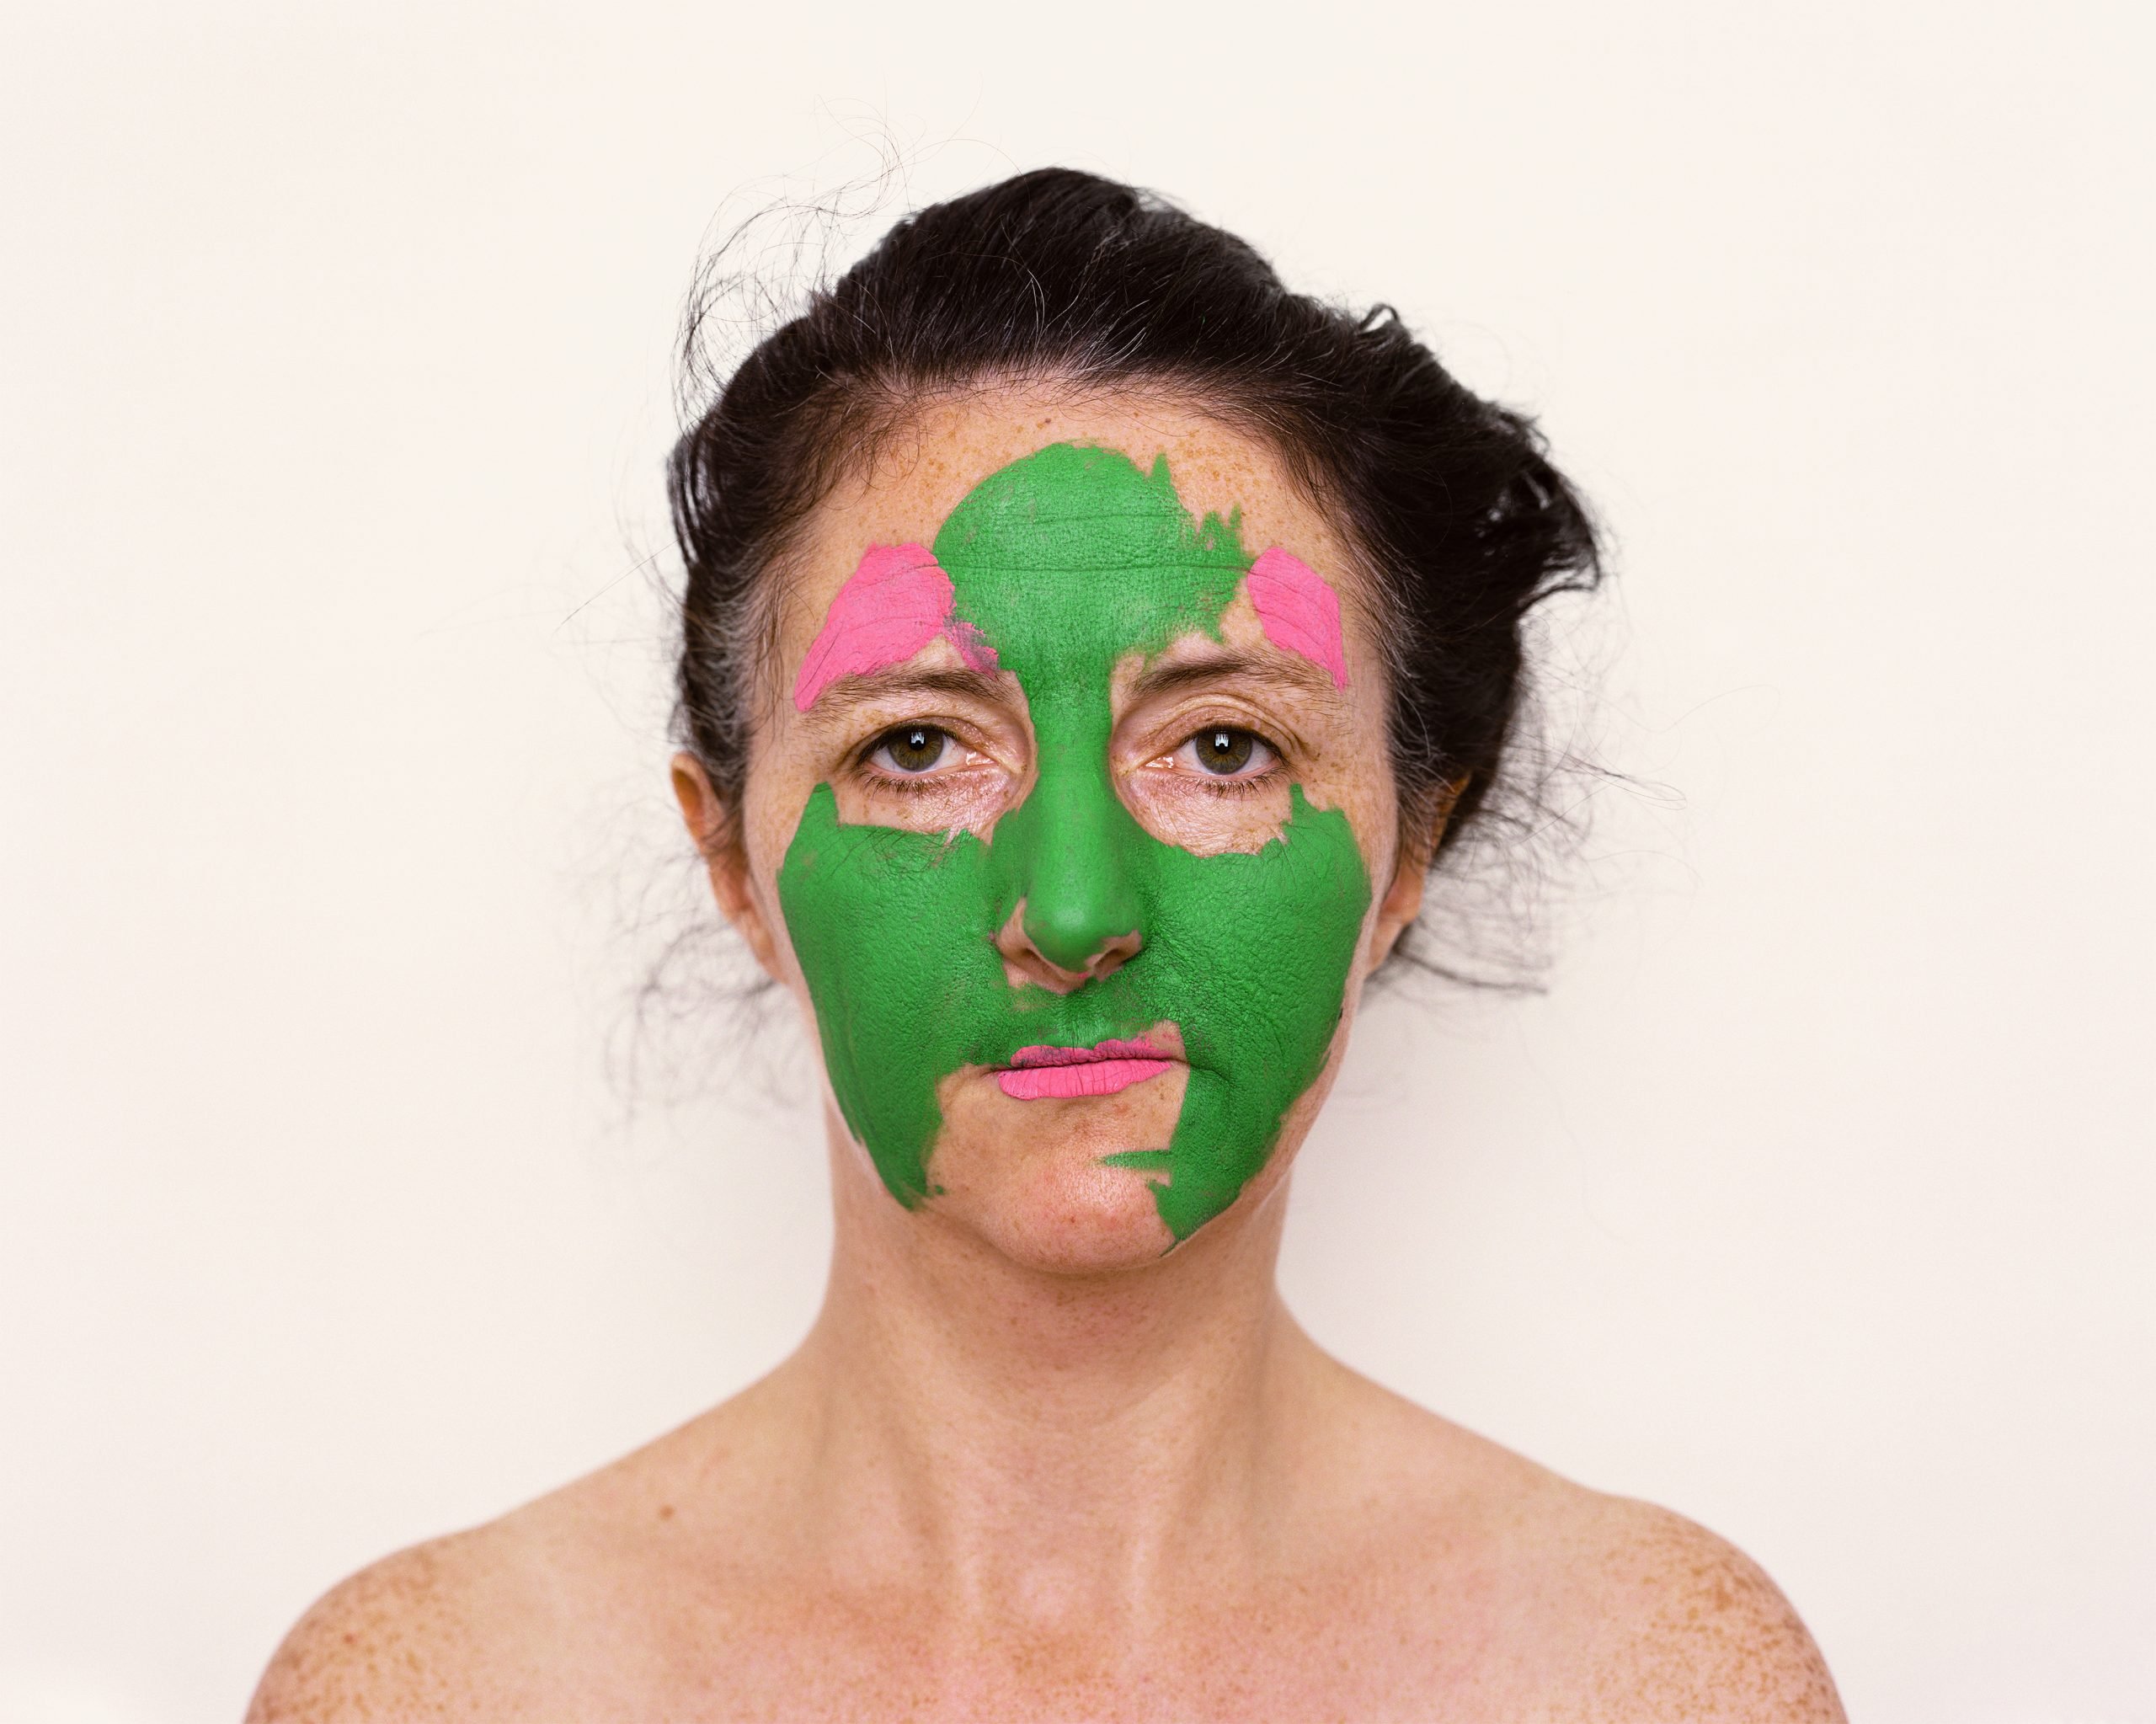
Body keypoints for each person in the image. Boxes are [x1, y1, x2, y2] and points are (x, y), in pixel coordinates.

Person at [248, 168, 1844, 1721]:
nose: (1073, 912)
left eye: (1223, 748)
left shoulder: (1657, 1680)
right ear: (732, 856)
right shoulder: (437, 1689)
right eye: (919, 750)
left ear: (1411, 843)